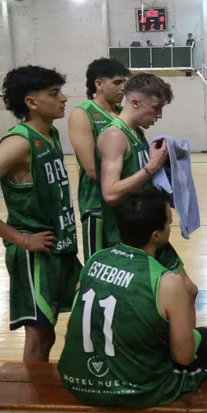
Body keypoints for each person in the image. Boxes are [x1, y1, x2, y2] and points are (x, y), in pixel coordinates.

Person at [0, 66, 93, 413]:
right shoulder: (19, 142)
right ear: (32, 101)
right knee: (38, 338)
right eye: (55, 93)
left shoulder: (49, 133)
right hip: (35, 257)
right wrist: (20, 238)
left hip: (62, 251)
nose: (64, 98)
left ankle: (53, 402)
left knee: (61, 332)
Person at [58, 187, 207, 413]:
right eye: (169, 220)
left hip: (77, 383)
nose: (171, 223)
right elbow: (184, 356)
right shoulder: (166, 282)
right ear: (156, 235)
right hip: (136, 390)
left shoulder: (94, 261)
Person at [97, 73, 199, 319]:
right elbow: (110, 192)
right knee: (171, 296)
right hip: (129, 237)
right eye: (156, 108)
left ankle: (184, 350)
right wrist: (150, 168)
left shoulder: (136, 133)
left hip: (149, 230)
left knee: (189, 291)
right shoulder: (114, 135)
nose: (159, 115)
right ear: (134, 102)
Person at [69, 57, 131, 261]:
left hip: (125, 203)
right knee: (98, 268)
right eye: (117, 82)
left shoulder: (123, 114)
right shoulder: (83, 114)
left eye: (125, 83)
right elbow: (92, 170)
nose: (123, 88)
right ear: (99, 84)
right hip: (97, 207)